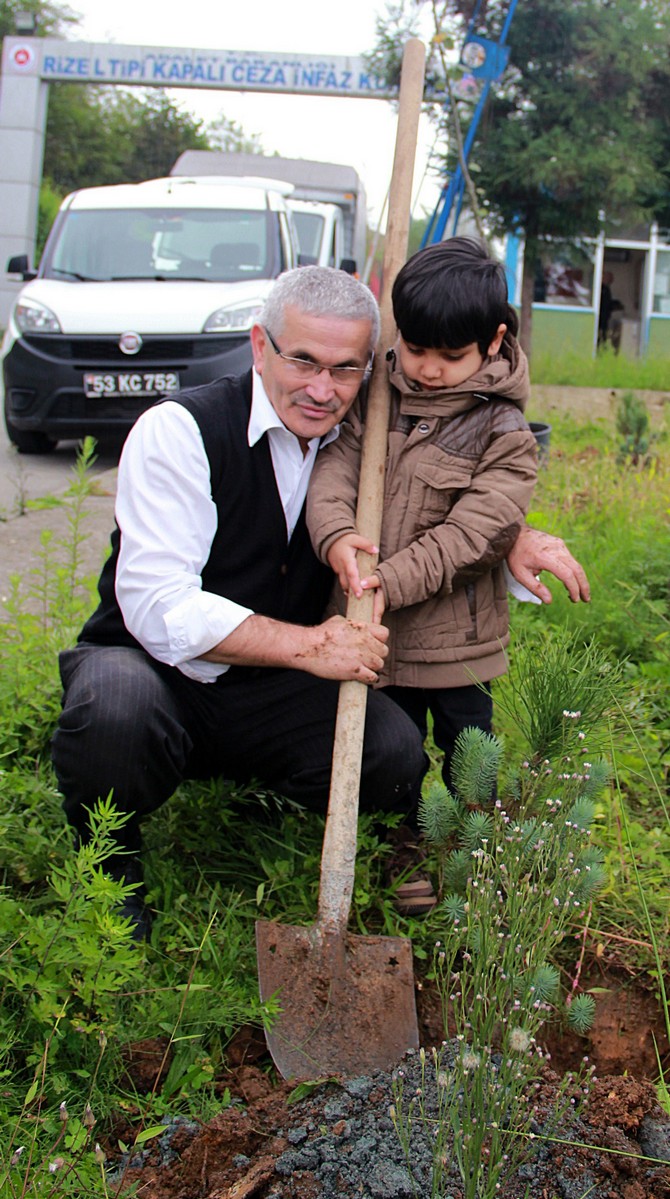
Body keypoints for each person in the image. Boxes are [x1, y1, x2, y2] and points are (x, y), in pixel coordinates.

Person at [51, 265, 589, 938]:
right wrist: (312, 645)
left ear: (368, 366)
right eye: (302, 359)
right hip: (159, 674)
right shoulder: (180, 431)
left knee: (394, 752)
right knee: (114, 708)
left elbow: (445, 496)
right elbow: (159, 606)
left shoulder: (362, 433)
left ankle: (270, 801)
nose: (320, 388)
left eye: (344, 369)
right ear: (259, 344)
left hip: (274, 690)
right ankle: (110, 866)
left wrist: (513, 535)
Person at [307, 238, 538, 913]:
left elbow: (476, 536)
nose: (428, 370)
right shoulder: (377, 391)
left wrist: (386, 582)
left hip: (457, 643)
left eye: (450, 356)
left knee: (470, 752)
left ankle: (477, 850)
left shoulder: (504, 432)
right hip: (374, 637)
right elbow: (334, 472)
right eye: (415, 349)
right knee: (396, 754)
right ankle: (403, 843)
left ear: (493, 341)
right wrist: (336, 536)